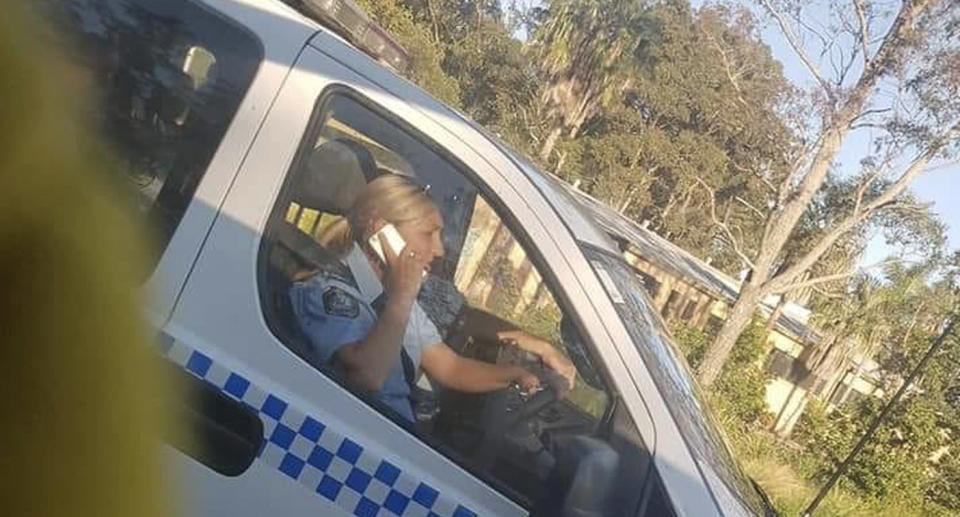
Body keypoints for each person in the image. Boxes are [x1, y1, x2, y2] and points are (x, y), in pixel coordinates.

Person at [289, 174, 574, 422]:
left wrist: (515, 374)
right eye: (428, 234)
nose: (438, 250)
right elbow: (366, 378)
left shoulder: (393, 295)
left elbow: (450, 368)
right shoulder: (327, 291)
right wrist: (401, 297)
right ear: (382, 232)